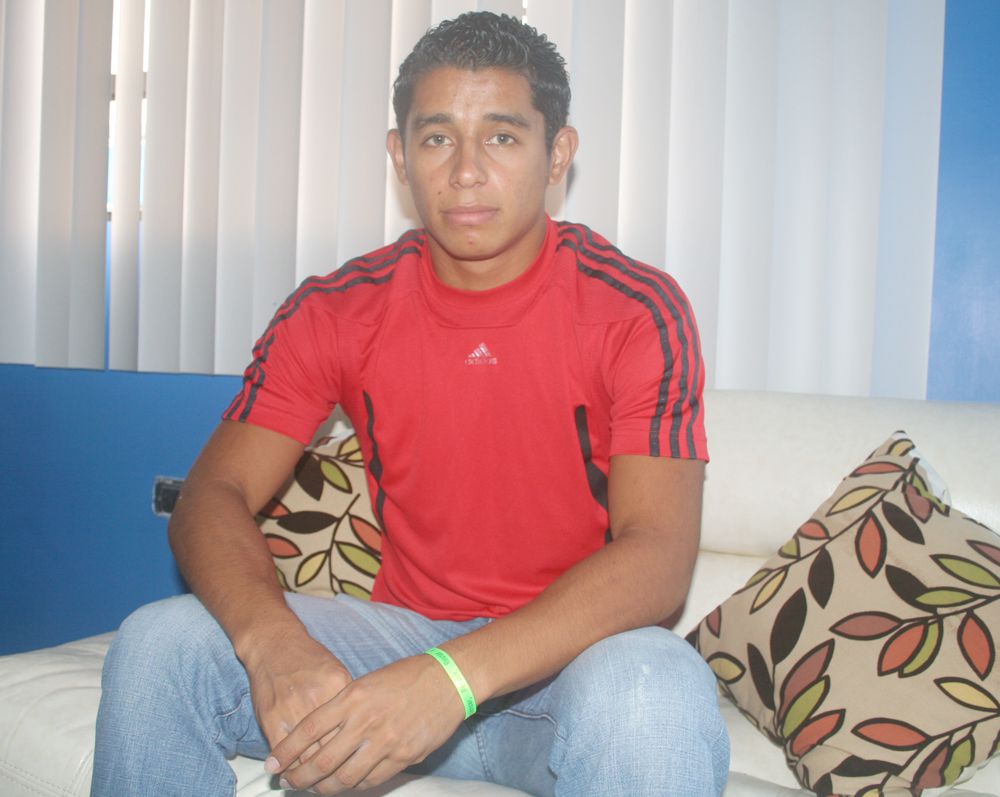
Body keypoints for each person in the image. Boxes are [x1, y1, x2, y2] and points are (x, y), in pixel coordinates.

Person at [92, 11, 729, 797]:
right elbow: (210, 495)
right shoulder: (337, 311)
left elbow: (658, 555)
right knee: (159, 645)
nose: (466, 172)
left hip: (568, 670)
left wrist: (450, 680)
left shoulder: (634, 309)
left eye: (502, 137)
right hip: (396, 648)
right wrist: (272, 644)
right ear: (400, 155)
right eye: (436, 139)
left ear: (558, 153)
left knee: (653, 689)